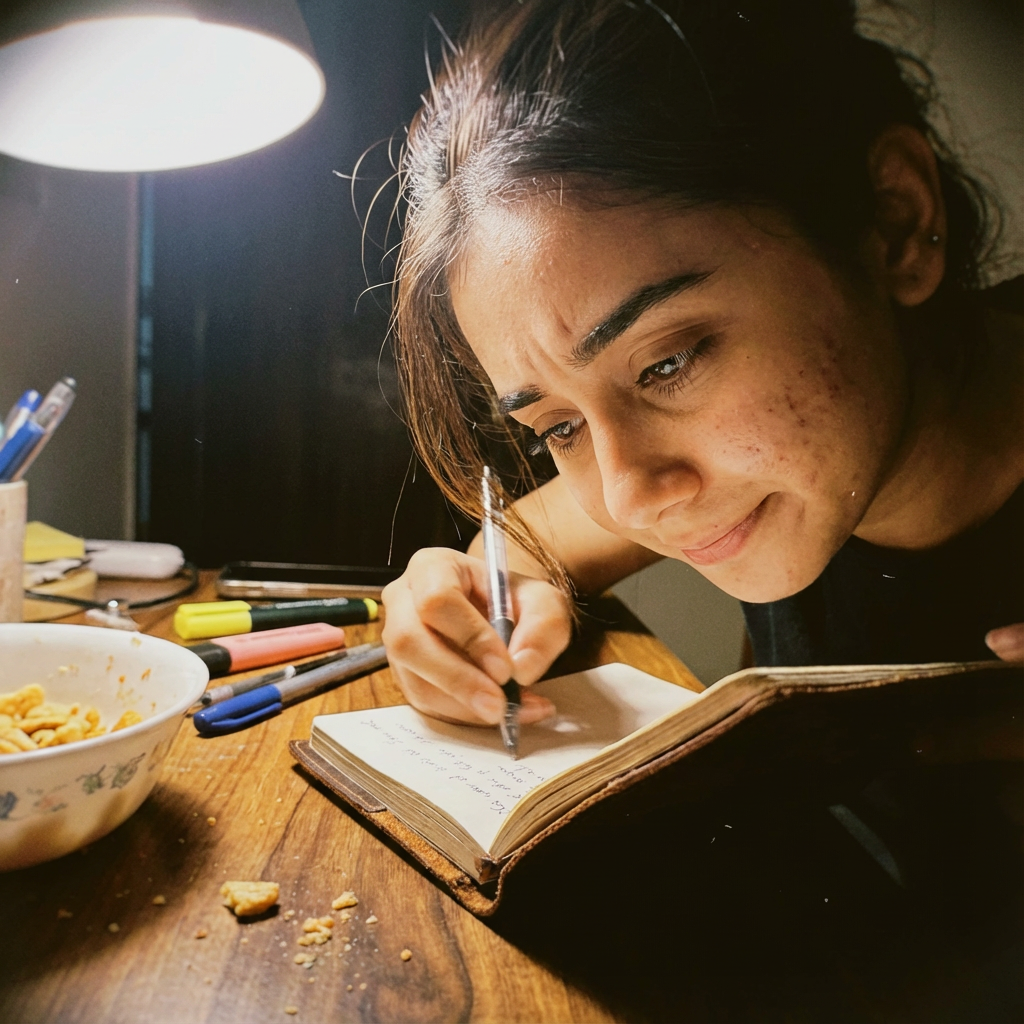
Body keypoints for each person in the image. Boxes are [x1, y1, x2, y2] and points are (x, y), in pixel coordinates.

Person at [378, 0, 1023, 730]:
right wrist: (471, 600)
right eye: (558, 428)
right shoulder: (753, 465)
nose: (629, 501)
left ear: (893, 222)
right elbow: (529, 546)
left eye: (667, 363)